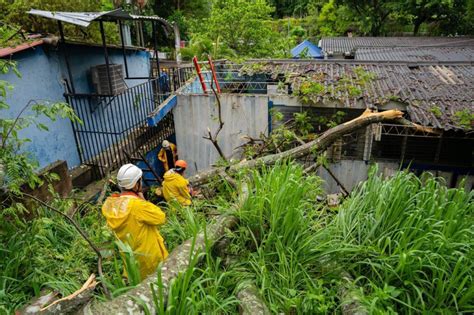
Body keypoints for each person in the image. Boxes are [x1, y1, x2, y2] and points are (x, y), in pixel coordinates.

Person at [102, 164, 168, 280]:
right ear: (136, 184)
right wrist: (141, 198)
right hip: (150, 260)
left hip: (131, 263)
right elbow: (161, 217)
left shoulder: (111, 205)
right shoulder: (138, 206)